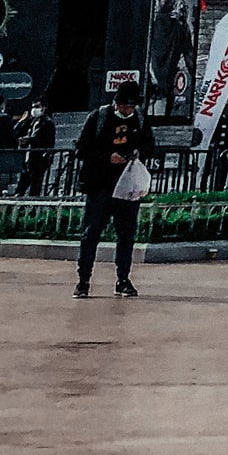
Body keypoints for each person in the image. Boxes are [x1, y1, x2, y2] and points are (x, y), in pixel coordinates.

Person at [73, 79, 152, 300]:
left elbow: (150, 145)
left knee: (126, 235)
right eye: (123, 106)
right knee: (91, 234)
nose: (126, 110)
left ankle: (123, 279)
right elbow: (81, 149)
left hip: (127, 188)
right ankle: (83, 280)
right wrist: (107, 157)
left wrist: (138, 152)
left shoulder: (140, 119)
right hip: (100, 186)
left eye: (130, 106)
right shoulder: (99, 118)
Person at [17, 101, 56, 197]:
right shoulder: (32, 121)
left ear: (43, 107)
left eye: (37, 106)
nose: (34, 109)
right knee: (22, 185)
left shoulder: (47, 123)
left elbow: (44, 140)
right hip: (29, 157)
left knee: (35, 185)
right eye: (33, 107)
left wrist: (29, 140)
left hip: (39, 158)